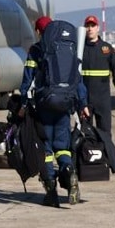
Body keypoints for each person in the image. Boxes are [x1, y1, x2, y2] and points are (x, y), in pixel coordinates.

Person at [18, 16, 89, 207]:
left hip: (45, 105)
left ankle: (51, 191)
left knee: (46, 149)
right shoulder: (69, 49)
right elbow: (78, 80)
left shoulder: (37, 49)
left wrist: (23, 103)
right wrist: (83, 104)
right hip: (66, 104)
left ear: (40, 32)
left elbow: (27, 79)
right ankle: (69, 172)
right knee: (63, 146)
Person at [81, 14, 115, 173]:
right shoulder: (79, 50)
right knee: (84, 131)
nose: (90, 28)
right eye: (87, 25)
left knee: (105, 132)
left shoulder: (107, 49)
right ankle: (86, 160)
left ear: (97, 28)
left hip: (102, 100)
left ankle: (107, 161)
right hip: (85, 101)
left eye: (92, 26)